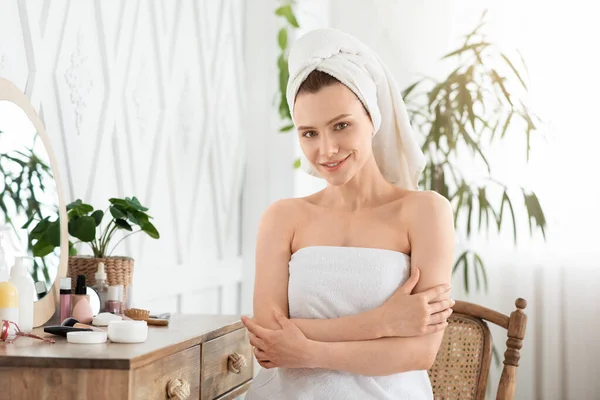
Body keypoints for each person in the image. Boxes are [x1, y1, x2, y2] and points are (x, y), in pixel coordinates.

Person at [242, 28, 455, 400]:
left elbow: (420, 352)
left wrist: (309, 350)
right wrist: (384, 322)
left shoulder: (425, 212)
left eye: (341, 125)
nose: (327, 149)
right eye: (309, 133)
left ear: (372, 118)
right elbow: (269, 343)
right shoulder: (282, 218)